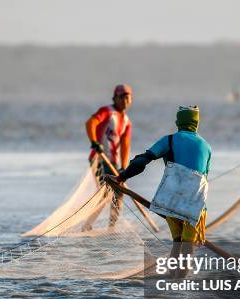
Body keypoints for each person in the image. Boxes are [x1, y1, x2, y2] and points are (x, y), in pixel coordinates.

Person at [114, 106, 211, 278]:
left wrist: (122, 177)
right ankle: (179, 284)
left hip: (171, 200)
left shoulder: (170, 140)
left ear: (178, 122)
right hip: (195, 204)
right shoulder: (206, 146)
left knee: (177, 243)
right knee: (187, 247)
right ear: (196, 123)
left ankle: (171, 282)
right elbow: (203, 180)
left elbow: (141, 161)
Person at [84, 84, 133, 228]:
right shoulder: (107, 111)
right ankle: (87, 225)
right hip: (99, 158)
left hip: (113, 163)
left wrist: (124, 168)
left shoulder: (126, 121)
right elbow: (90, 123)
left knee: (119, 193)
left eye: (127, 97)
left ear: (131, 100)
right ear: (115, 98)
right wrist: (94, 142)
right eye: (121, 97)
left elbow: (125, 145)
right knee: (104, 193)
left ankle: (112, 227)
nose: (124, 100)